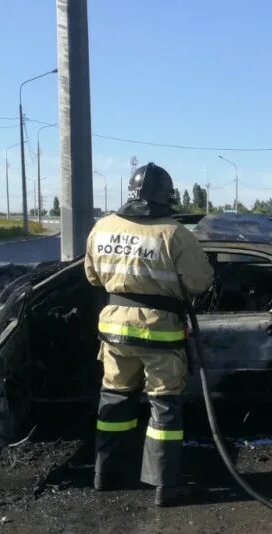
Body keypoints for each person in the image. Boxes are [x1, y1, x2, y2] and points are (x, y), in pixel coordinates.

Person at [85, 162, 214, 507]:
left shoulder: (102, 228)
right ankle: (163, 486)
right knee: (164, 407)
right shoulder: (174, 233)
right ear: (165, 197)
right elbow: (200, 282)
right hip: (158, 332)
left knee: (115, 399)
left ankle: (106, 475)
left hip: (113, 330)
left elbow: (93, 277)